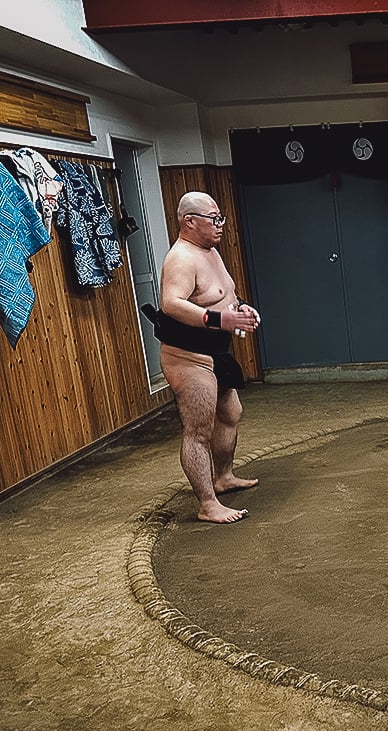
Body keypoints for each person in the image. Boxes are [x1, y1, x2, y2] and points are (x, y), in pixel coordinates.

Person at [154, 191, 262, 524]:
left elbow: (222, 293)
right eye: (214, 219)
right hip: (188, 355)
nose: (220, 225)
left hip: (217, 350)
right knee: (198, 429)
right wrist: (220, 319)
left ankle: (223, 476)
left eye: (220, 218)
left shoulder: (210, 252)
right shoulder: (181, 258)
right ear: (189, 221)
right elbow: (171, 303)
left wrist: (240, 308)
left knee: (230, 413)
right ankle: (207, 504)